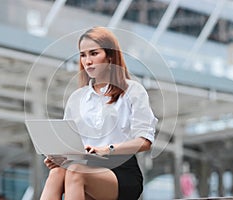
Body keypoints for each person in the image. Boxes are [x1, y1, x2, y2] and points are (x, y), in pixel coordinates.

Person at [40, 26, 158, 200]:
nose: (87, 61)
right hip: (83, 166)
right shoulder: (77, 98)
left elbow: (145, 141)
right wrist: (59, 157)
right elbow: (70, 143)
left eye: (94, 53)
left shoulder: (133, 91)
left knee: (75, 171)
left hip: (121, 171)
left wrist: (106, 150)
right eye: (83, 55)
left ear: (110, 56)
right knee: (57, 172)